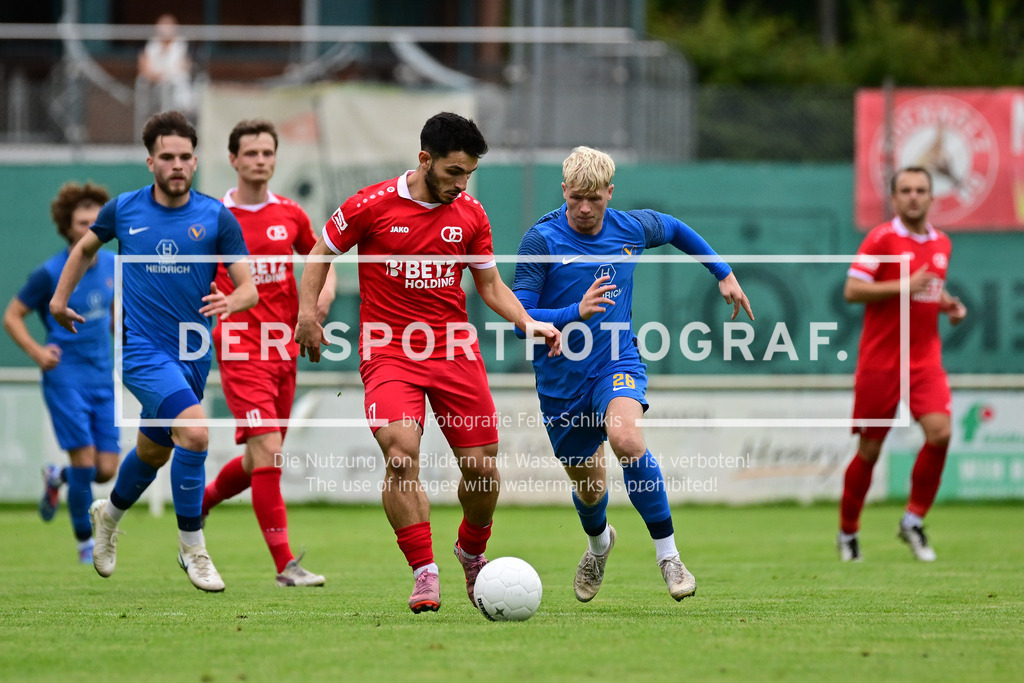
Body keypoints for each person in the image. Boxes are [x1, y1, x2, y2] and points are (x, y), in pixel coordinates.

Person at [294, 111, 559, 613]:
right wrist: (308, 313)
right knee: (400, 452)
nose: (461, 184)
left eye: (469, 175)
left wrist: (529, 323)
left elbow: (490, 285)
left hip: (454, 349)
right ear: (425, 159)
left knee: (482, 469)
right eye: (454, 172)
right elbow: (319, 252)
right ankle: (424, 570)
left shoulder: (471, 215)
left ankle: (470, 551)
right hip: (389, 349)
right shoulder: (370, 205)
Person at [511, 146, 754, 602]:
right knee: (589, 492)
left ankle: (669, 557)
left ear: (609, 192)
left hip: (615, 362)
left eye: (594, 199)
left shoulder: (632, 227)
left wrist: (722, 271)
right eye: (575, 198)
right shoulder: (541, 240)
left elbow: (677, 229)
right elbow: (519, 311)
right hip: (561, 383)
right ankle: (600, 544)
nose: (584, 208)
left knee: (626, 439)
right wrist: (573, 312)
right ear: (563, 190)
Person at [49, 110, 257, 592]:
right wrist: (59, 300)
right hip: (140, 351)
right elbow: (84, 249)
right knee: (197, 434)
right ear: (150, 162)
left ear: (196, 160)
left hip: (192, 354)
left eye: (185, 156)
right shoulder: (123, 209)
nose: (177, 164)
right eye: (168, 157)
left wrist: (233, 298)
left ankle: (109, 516)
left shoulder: (215, 216)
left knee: (152, 452)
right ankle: (193, 549)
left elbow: (248, 287)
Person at [201, 118, 336, 587]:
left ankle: (194, 508)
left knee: (262, 457)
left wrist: (322, 297)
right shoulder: (213, 216)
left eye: (267, 153)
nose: (260, 160)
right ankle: (285, 566)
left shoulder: (290, 214)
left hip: (284, 350)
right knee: (271, 452)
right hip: (239, 347)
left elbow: (323, 256)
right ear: (233, 160)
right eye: (251, 153)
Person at [838, 166, 967, 562]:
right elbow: (852, 290)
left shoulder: (942, 243)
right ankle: (848, 532)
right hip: (881, 360)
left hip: (924, 359)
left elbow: (929, 289)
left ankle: (912, 520)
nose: (913, 196)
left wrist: (948, 304)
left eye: (921, 190)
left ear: (931, 197)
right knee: (870, 451)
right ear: (894, 199)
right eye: (906, 190)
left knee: (941, 433)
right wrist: (904, 285)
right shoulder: (881, 238)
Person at [3, 182, 119, 564]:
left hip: (102, 374)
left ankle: (58, 477)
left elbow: (118, 318)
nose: (90, 228)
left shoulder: (114, 266)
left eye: (96, 221)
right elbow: (13, 315)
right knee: (85, 462)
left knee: (105, 469)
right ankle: (86, 544)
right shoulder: (49, 272)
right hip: (65, 374)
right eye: (82, 222)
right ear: (67, 227)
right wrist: (37, 352)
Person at [137, 14, 194, 113]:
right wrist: (155, 76)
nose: (166, 29)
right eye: (163, 25)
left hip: (175, 84)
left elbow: (185, 67)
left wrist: (167, 75)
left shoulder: (182, 44)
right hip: (154, 84)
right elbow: (143, 67)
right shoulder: (152, 44)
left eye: (169, 25)